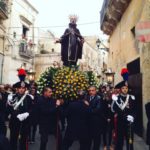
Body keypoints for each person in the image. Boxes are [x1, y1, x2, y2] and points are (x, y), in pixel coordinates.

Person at [7, 81, 33, 150]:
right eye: (20, 88)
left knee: (23, 141)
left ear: (25, 89)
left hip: (25, 123)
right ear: (17, 89)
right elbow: (9, 109)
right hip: (14, 122)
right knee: (13, 140)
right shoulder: (12, 97)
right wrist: (17, 115)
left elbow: (32, 108)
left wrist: (27, 113)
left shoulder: (29, 98)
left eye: (23, 88)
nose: (21, 89)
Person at [111, 81, 136, 150]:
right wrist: (124, 116)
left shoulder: (132, 98)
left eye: (126, 88)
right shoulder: (117, 98)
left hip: (129, 123)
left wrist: (133, 116)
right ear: (120, 89)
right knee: (119, 141)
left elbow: (135, 109)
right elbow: (113, 110)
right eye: (123, 88)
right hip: (120, 123)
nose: (125, 89)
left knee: (130, 141)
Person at [85, 86, 104, 150]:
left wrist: (88, 106)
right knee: (88, 139)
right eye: (90, 90)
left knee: (96, 139)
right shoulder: (87, 97)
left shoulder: (99, 98)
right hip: (88, 122)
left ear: (96, 91)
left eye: (92, 90)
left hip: (96, 122)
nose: (91, 92)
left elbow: (96, 110)